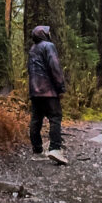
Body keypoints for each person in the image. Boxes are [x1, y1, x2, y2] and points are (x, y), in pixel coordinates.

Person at [27, 25, 67, 164]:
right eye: (48, 32)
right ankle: (55, 149)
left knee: (36, 119)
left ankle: (37, 150)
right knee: (55, 117)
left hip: (35, 91)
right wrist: (61, 88)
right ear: (44, 34)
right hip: (48, 90)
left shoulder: (32, 49)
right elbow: (54, 67)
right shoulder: (49, 46)